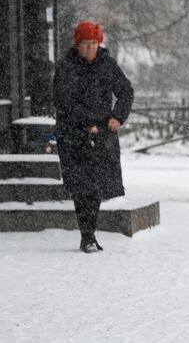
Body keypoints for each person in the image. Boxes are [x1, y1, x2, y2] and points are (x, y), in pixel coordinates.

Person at [53, 21, 134, 253]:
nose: (90, 48)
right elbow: (63, 101)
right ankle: (86, 235)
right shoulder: (66, 68)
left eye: (94, 44)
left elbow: (126, 91)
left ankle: (90, 234)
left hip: (102, 137)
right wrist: (87, 124)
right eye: (85, 44)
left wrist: (118, 117)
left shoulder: (107, 66)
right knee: (81, 186)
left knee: (96, 186)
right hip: (73, 136)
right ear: (77, 44)